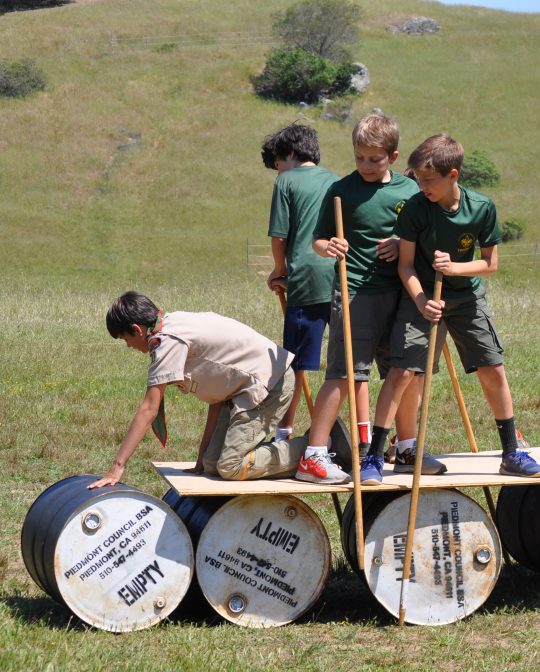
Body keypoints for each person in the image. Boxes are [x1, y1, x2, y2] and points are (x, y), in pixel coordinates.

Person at [363, 133, 540, 478]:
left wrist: (454, 268)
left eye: (429, 180)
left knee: (493, 367)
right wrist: (421, 300)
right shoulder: (416, 209)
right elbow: (405, 265)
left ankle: (511, 452)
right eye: (418, 179)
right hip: (421, 298)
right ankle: (374, 456)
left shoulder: (481, 207)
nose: (422, 186)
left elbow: (490, 264)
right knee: (402, 372)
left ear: (453, 175)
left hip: (467, 298)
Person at [299, 112, 443, 485]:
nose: (365, 164)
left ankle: (407, 447)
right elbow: (317, 239)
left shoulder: (410, 192)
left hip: (403, 293)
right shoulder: (341, 190)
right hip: (357, 291)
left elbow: (423, 237)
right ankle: (314, 455)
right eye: (359, 156)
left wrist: (401, 242)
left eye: (374, 159)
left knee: (406, 372)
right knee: (346, 372)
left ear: (393, 158)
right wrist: (328, 245)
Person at [88, 291, 342, 489]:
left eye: (126, 340)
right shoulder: (169, 325)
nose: (129, 347)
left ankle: (318, 446)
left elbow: (149, 409)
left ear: (137, 330)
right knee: (212, 465)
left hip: (270, 383)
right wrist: (202, 457)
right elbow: (217, 397)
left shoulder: (167, 343)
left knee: (230, 466)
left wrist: (117, 467)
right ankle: (305, 451)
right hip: (241, 389)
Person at [261, 123, 340, 441]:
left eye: (278, 163)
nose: (278, 170)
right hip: (340, 277)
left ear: (290, 154)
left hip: (304, 277)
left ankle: (284, 432)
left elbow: (279, 235)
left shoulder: (287, 181)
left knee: (295, 362)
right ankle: (361, 437)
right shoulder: (337, 180)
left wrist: (279, 270)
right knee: (345, 363)